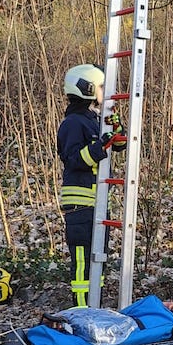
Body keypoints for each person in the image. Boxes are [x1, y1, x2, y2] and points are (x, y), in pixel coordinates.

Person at [56, 64, 124, 306]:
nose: (105, 91)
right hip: (81, 206)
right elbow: (73, 158)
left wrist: (115, 128)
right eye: (101, 86)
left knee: (99, 259)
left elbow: (120, 145)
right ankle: (83, 309)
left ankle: (96, 304)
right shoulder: (73, 123)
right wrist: (99, 146)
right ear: (88, 88)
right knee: (83, 262)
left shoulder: (93, 120)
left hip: (97, 204)